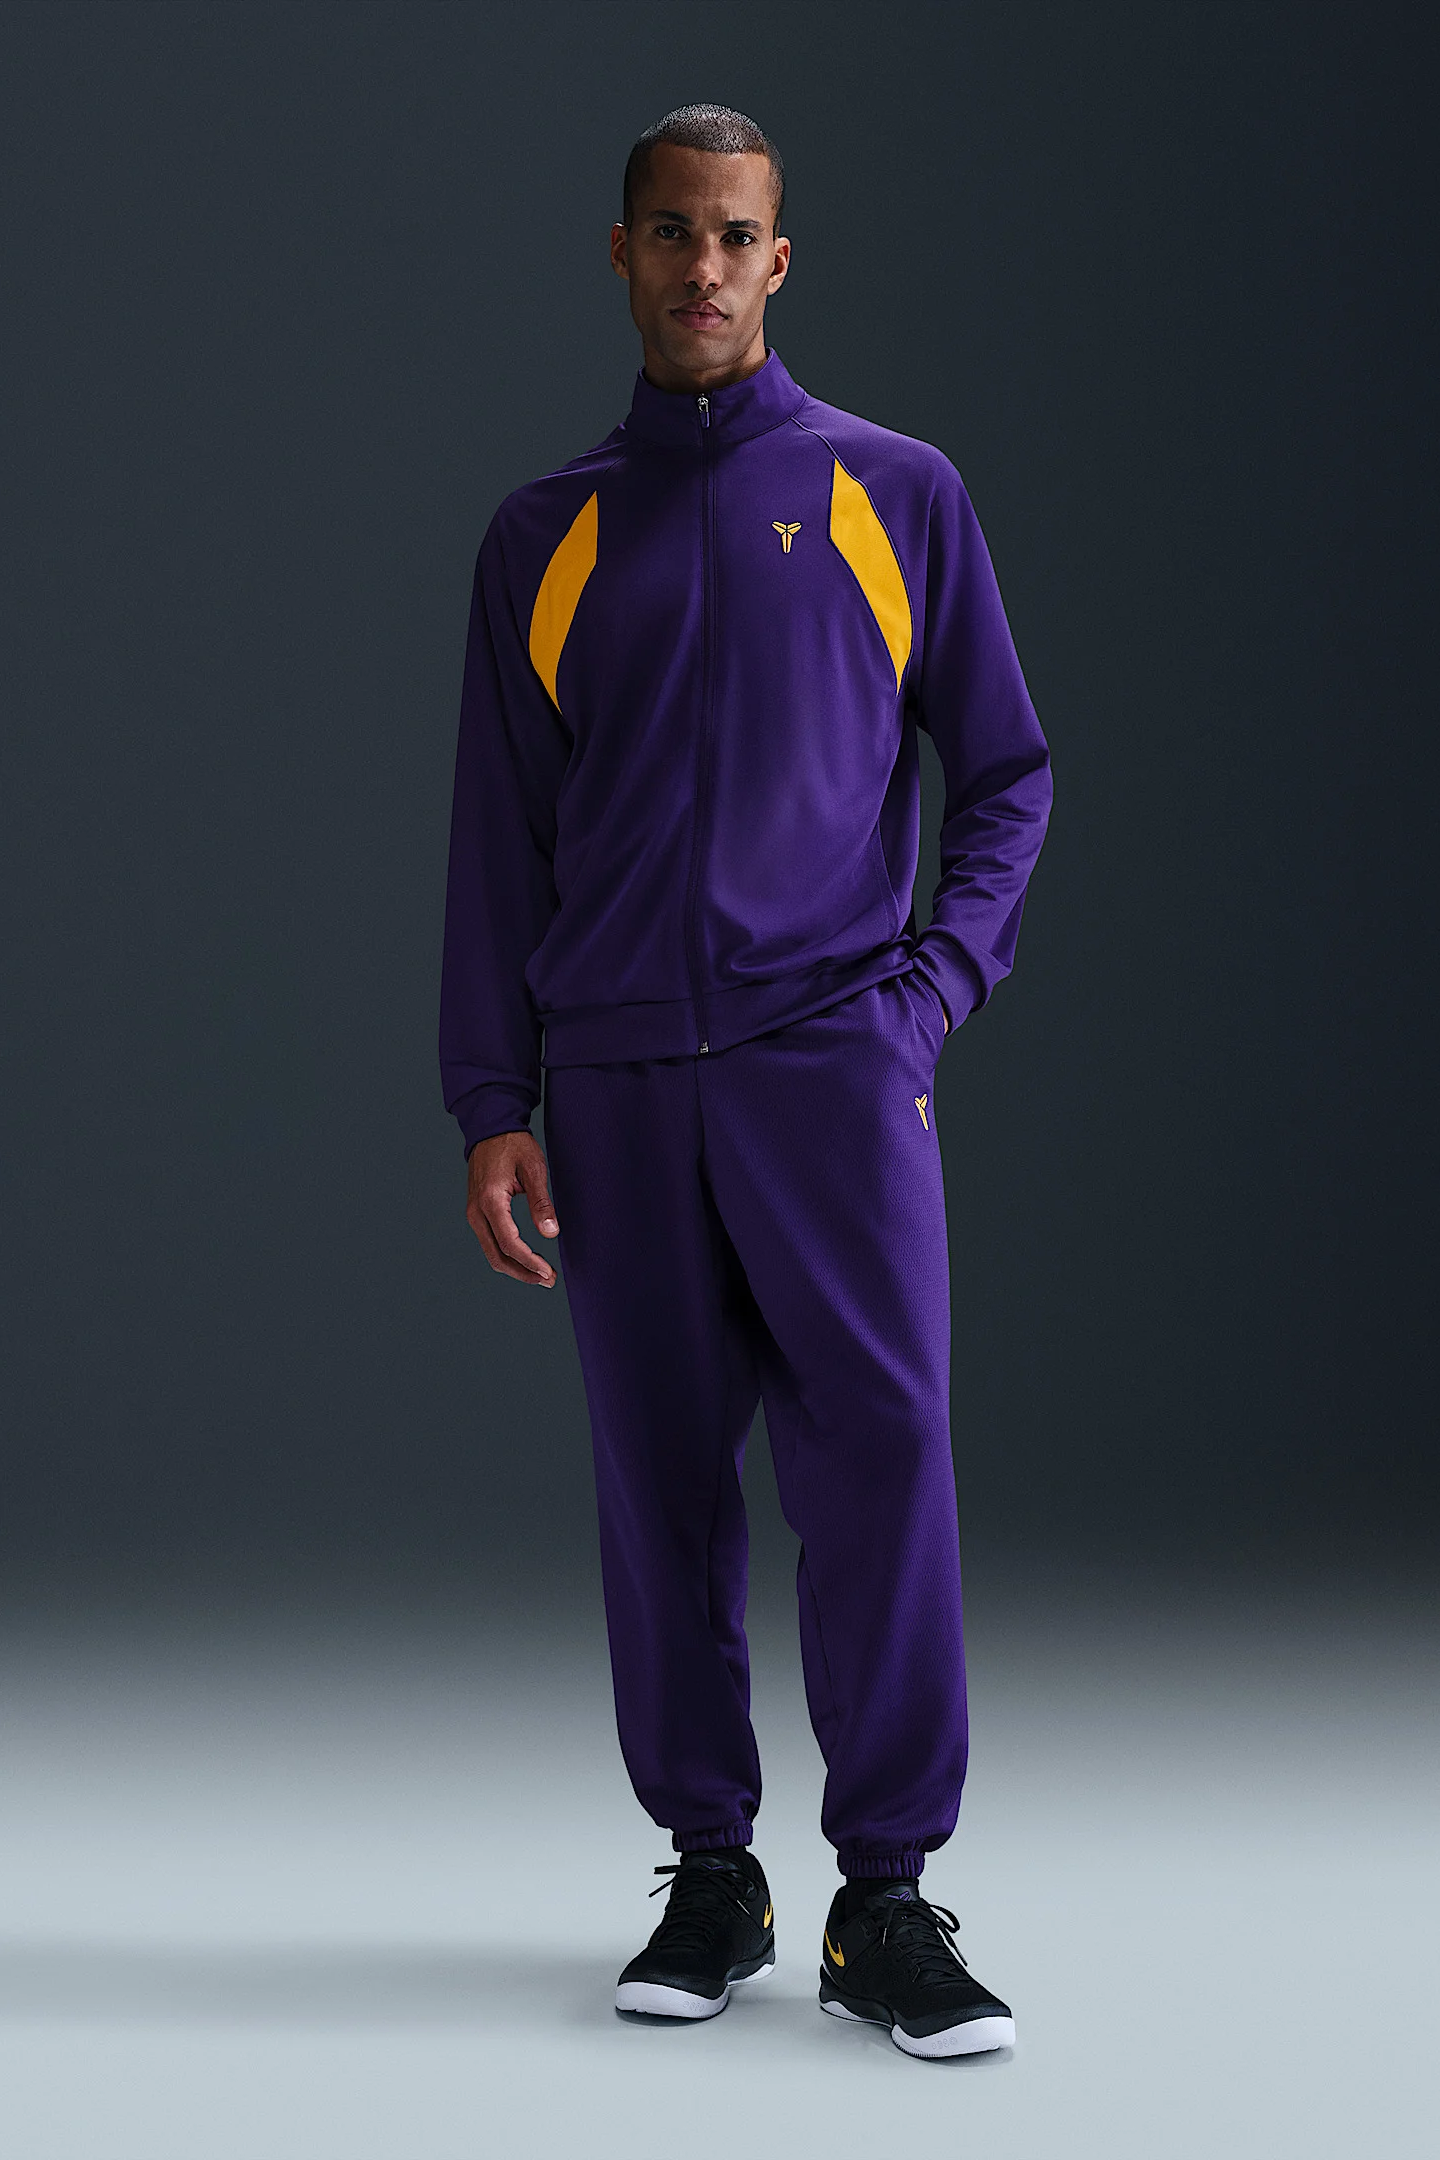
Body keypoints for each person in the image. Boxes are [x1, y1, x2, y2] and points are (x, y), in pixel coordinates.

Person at [439, 103, 1052, 2060]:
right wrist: (493, 1099)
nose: (701, 266)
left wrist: (931, 992)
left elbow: (1007, 771)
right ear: (619, 255)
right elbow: (500, 844)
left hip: (829, 1065)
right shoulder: (545, 534)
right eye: (669, 233)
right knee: (661, 1486)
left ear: (779, 261)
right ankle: (713, 1871)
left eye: (734, 236)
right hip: (619, 1083)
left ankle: (888, 1897)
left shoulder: (895, 491)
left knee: (882, 1461)